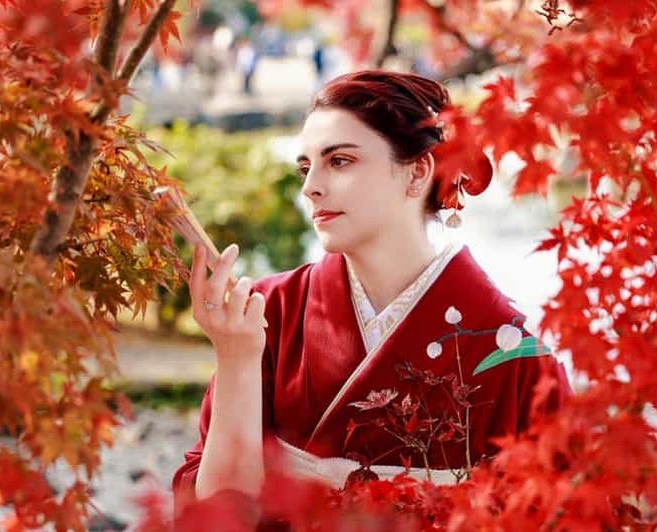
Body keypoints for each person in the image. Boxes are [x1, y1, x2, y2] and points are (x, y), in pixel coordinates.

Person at [172, 69, 572, 511]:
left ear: (417, 173)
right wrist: (236, 359)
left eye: (339, 161)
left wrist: (345, 484)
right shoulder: (268, 314)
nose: (310, 187)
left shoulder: (514, 356)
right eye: (305, 167)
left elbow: (559, 511)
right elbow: (215, 515)